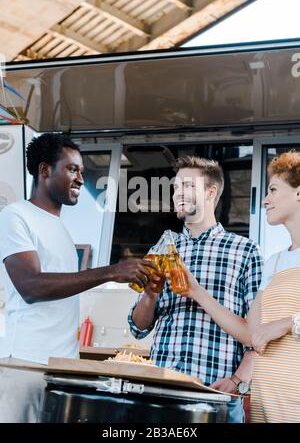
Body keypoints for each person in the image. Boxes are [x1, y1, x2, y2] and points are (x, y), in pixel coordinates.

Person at [0, 132, 156, 422]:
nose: (81, 180)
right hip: (25, 363)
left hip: (60, 366)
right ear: (45, 170)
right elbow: (31, 286)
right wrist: (111, 271)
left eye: (82, 172)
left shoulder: (61, 229)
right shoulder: (15, 215)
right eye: (72, 169)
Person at [128, 156, 263, 423]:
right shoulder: (163, 247)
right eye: (176, 187)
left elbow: (259, 333)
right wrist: (149, 296)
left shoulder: (246, 251)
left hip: (214, 396)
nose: (178, 193)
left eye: (187, 186)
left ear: (211, 192)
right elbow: (138, 326)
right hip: (160, 391)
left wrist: (239, 380)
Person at [178, 151, 300, 423]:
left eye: (273, 189)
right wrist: (196, 292)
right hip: (265, 404)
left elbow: (280, 327)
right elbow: (251, 333)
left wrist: (289, 323)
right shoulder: (274, 262)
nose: (265, 200)